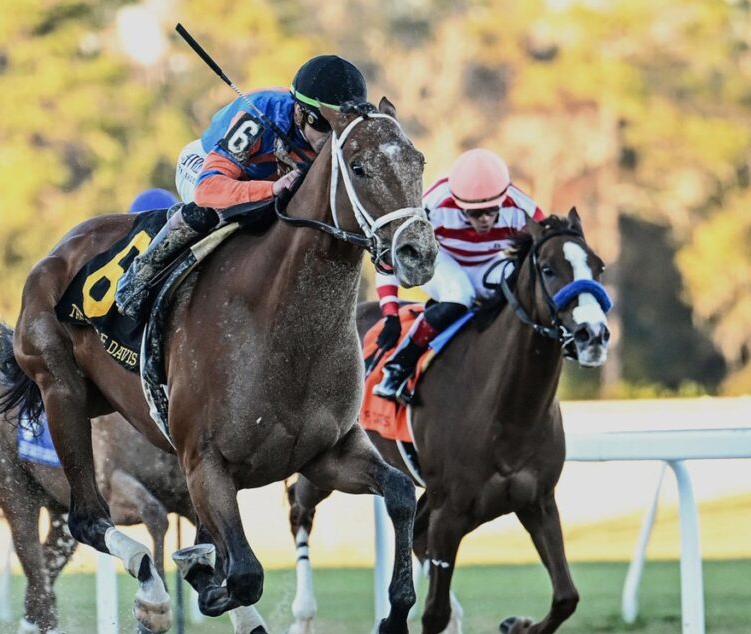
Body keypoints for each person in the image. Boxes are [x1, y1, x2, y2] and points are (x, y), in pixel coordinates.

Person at [114, 55, 368, 320]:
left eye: (342, 126)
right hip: (206, 168)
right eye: (323, 124)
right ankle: (139, 277)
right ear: (299, 112)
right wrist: (269, 190)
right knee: (211, 212)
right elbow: (208, 189)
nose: (331, 139)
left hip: (264, 179)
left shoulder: (341, 140)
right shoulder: (259, 115)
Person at [373, 148, 546, 403]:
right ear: (457, 202)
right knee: (460, 293)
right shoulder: (433, 204)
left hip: (490, 262)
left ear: (504, 198)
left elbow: (552, 252)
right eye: (474, 213)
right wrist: (390, 314)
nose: (485, 219)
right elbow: (390, 259)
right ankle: (398, 367)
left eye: (492, 210)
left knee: (523, 284)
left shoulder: (522, 206)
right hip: (443, 259)